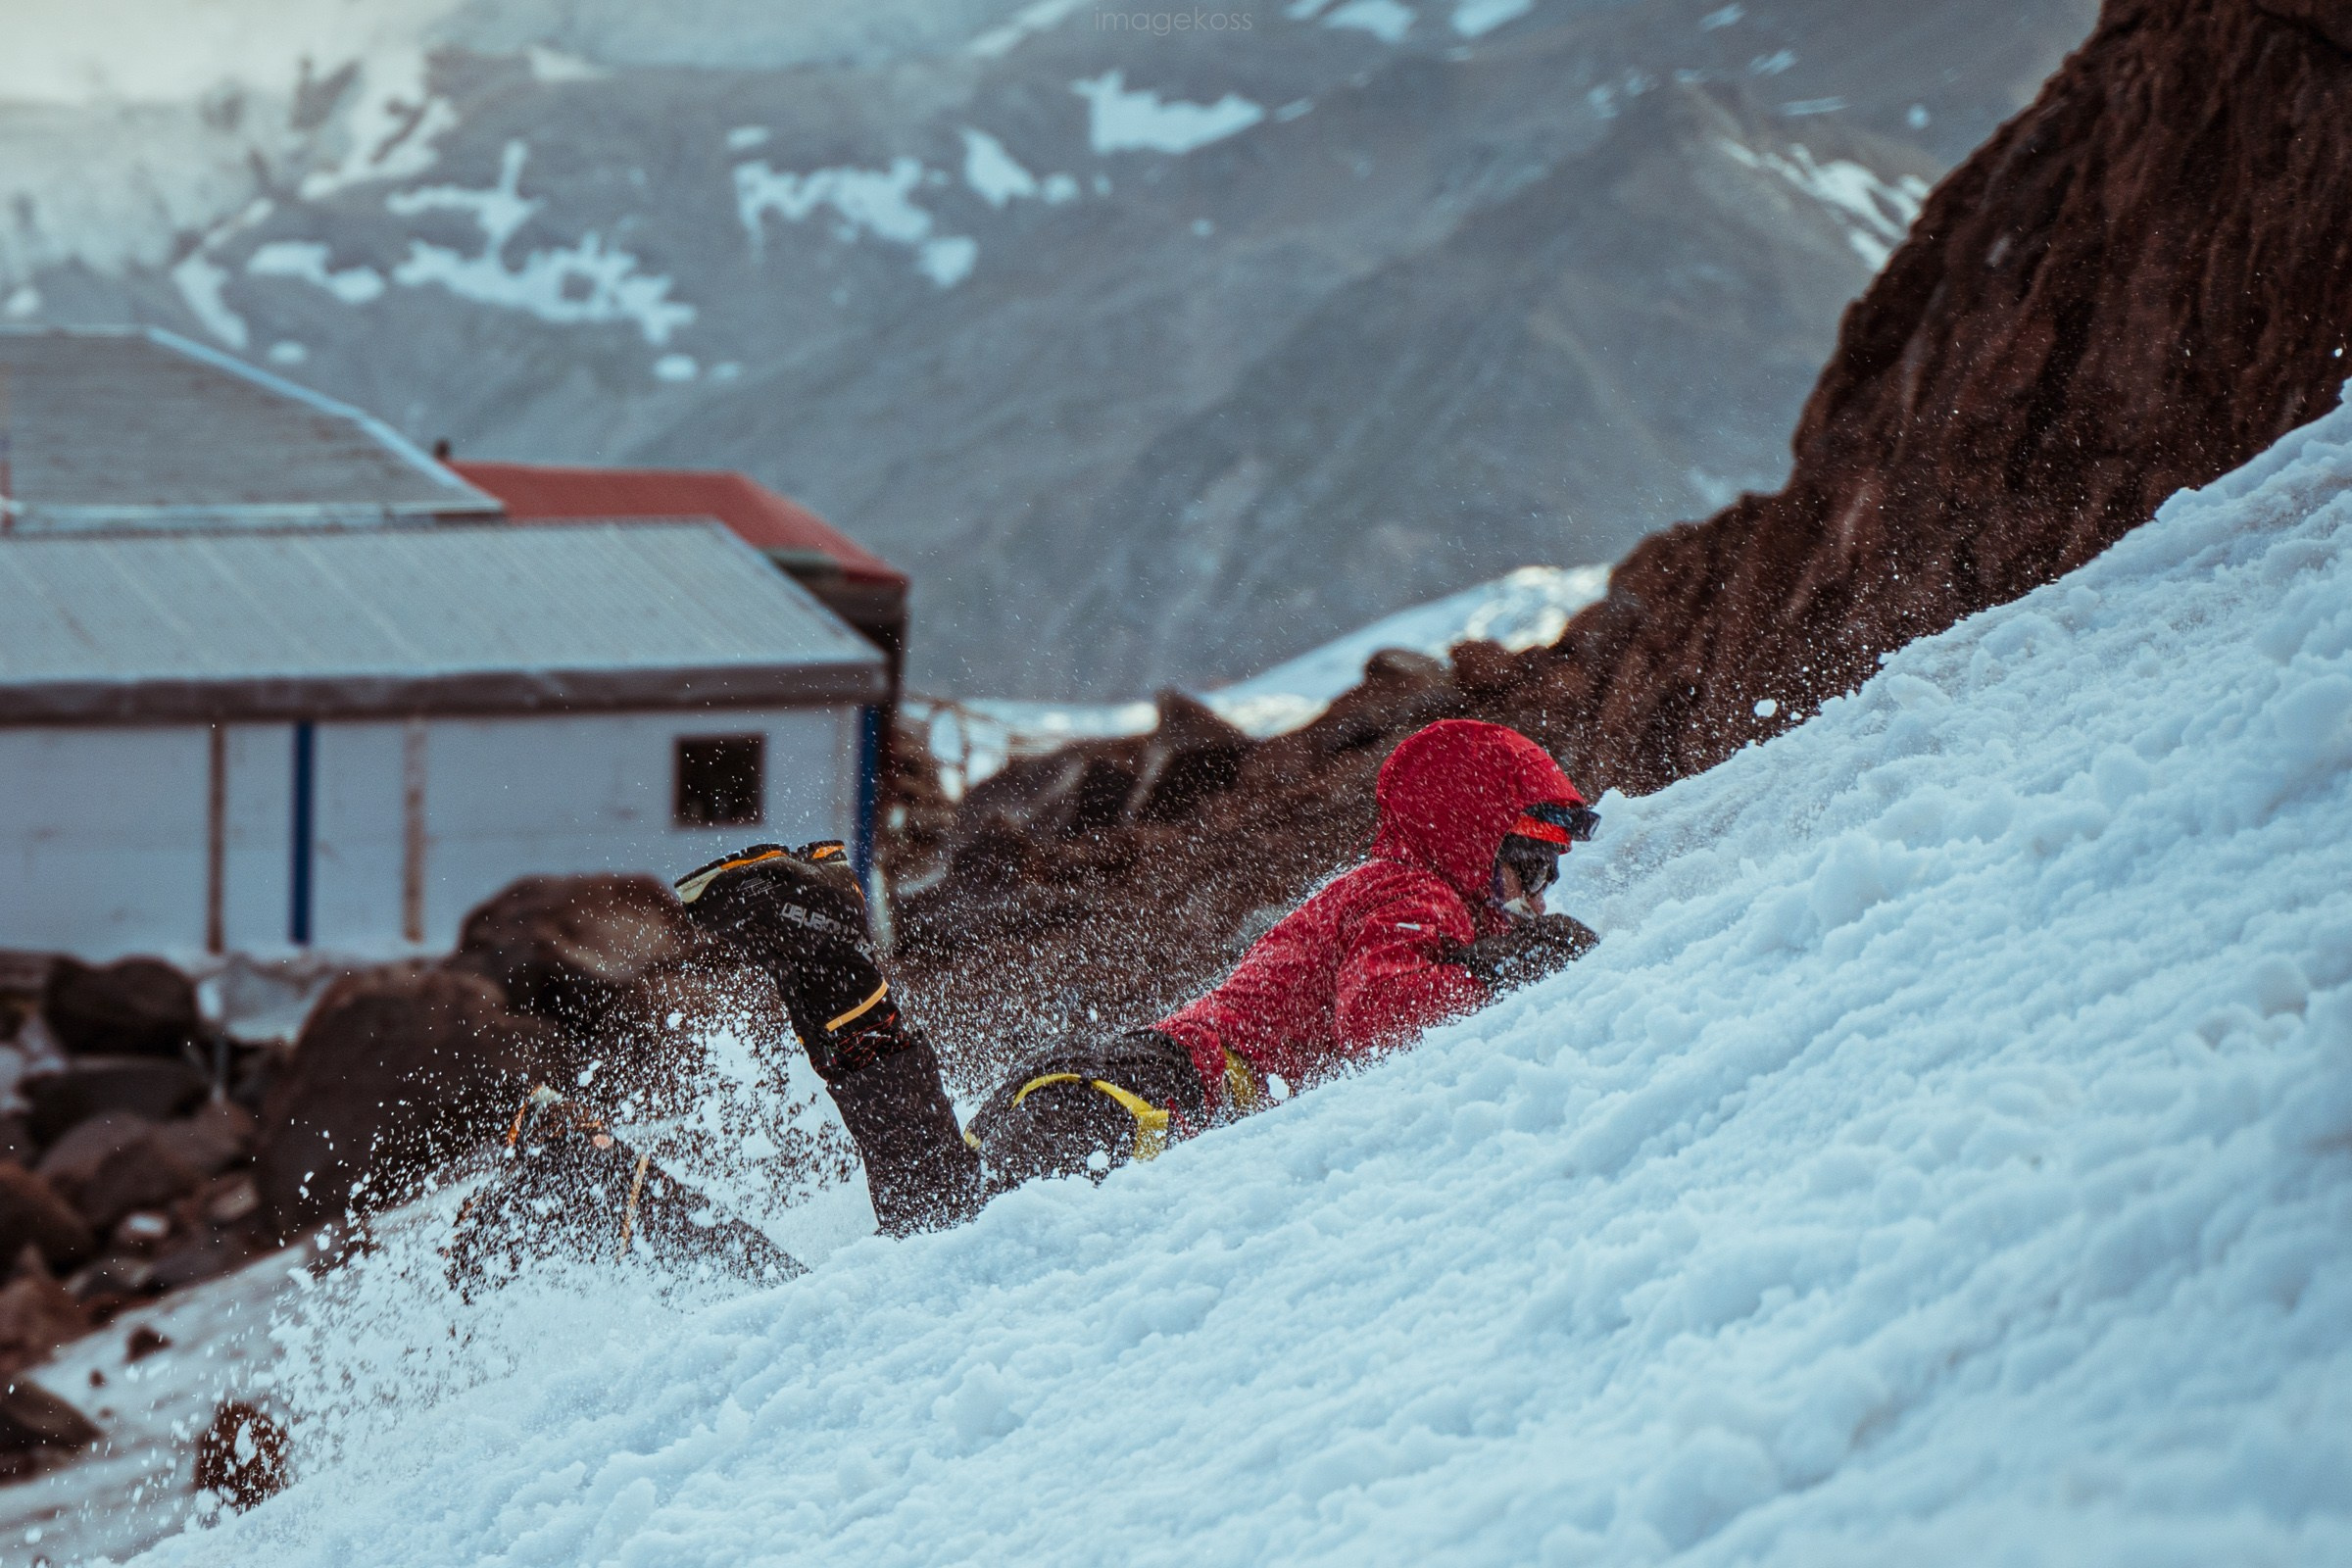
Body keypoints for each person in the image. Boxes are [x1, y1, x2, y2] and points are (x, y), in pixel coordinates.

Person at [448, 719, 1599, 1273]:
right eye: (1528, 862)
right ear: (1461, 835)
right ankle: (818, 956)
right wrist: (1508, 968)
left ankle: (602, 1187)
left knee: (898, 1267)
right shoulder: (1414, 902)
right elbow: (1390, 1014)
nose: (1538, 894)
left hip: (1110, 1088)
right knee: (934, 1245)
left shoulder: (1406, 891)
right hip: (1135, 1098)